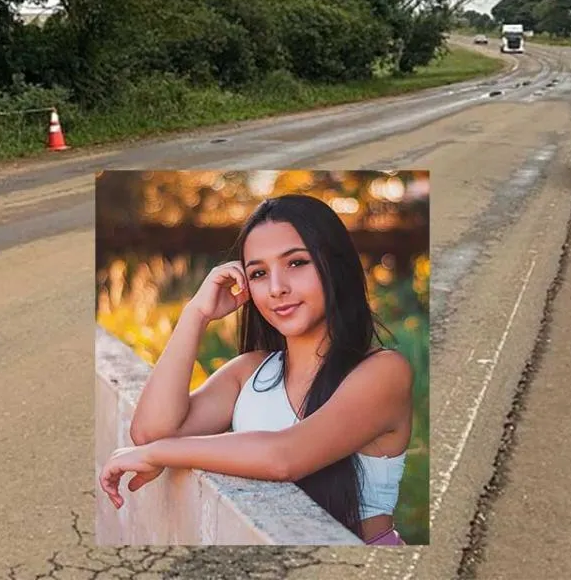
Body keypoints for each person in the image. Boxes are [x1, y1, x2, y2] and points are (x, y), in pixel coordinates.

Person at [98, 193, 414, 546]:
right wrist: (196, 314)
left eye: (296, 263)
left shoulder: (383, 371)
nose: (277, 288)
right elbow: (151, 432)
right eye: (259, 273)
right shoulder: (250, 372)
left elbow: (284, 457)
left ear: (335, 265)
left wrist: (158, 454)